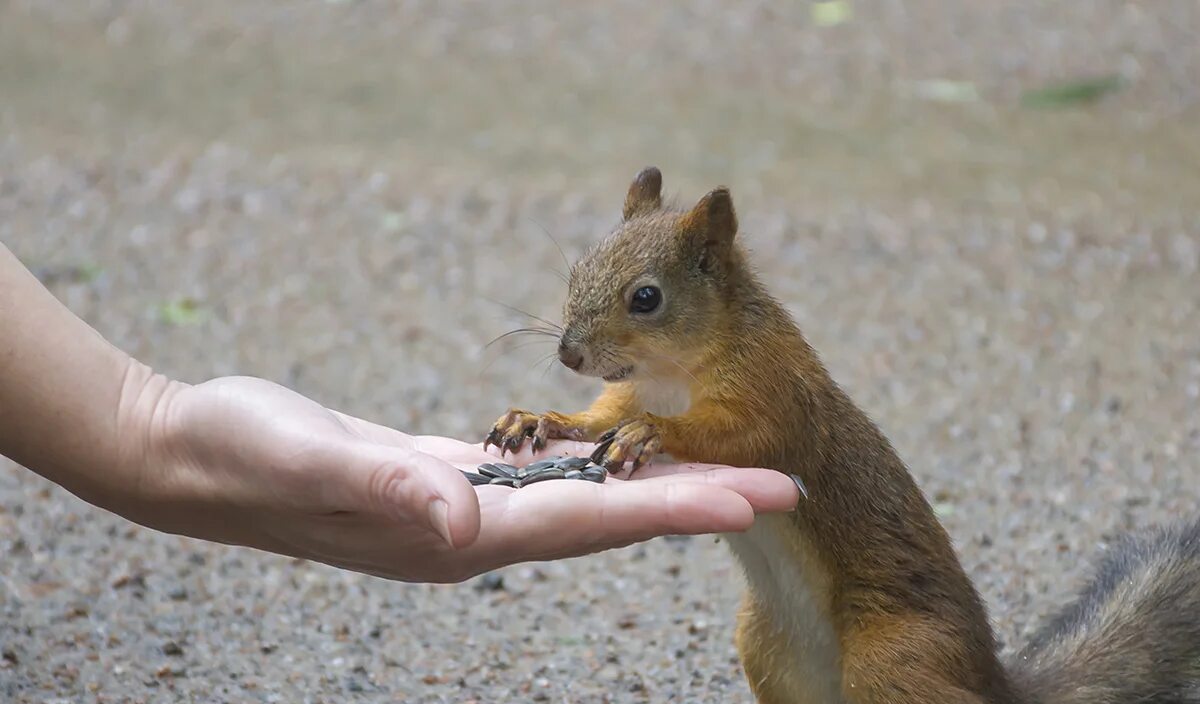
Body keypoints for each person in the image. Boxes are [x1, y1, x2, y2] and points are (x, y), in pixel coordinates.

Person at [0, 241, 797, 582]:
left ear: (710, 270)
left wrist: (146, 423)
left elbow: (751, 431)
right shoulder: (654, 376)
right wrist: (566, 426)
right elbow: (616, 414)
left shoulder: (756, 366)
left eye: (643, 305)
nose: (575, 346)